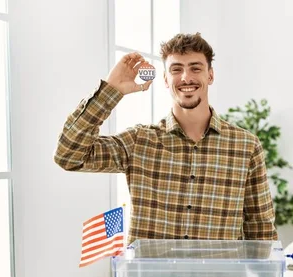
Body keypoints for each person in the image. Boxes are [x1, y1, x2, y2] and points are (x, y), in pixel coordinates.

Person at [54, 33, 277, 243]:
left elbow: (261, 229)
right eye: (176, 69)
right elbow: (69, 156)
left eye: (195, 68)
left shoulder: (246, 146)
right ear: (165, 79)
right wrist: (111, 91)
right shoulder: (139, 141)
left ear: (210, 75)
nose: (186, 77)